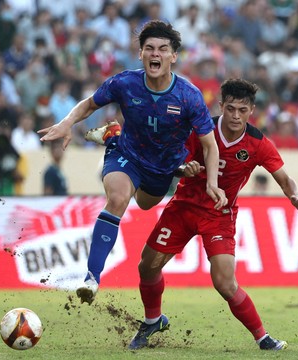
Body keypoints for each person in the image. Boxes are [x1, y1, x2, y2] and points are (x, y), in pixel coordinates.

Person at [37, 20, 228, 305]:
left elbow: (210, 145)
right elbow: (89, 104)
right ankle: (92, 277)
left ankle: (113, 132)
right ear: (140, 54)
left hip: (163, 168)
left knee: (146, 203)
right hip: (127, 155)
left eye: (163, 49)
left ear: (173, 56)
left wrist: (210, 181)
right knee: (117, 197)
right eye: (149, 48)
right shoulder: (125, 83)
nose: (156, 54)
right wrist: (67, 123)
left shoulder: (189, 96)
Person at [127, 79, 298, 351]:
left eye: (243, 110)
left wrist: (294, 195)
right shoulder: (201, 130)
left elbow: (284, 178)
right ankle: (153, 320)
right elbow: (174, 162)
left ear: (252, 111)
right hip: (184, 208)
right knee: (147, 266)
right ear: (221, 105)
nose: (236, 116)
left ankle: (263, 338)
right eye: (231, 108)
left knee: (225, 283)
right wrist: (183, 169)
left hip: (219, 214)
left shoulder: (258, 143)